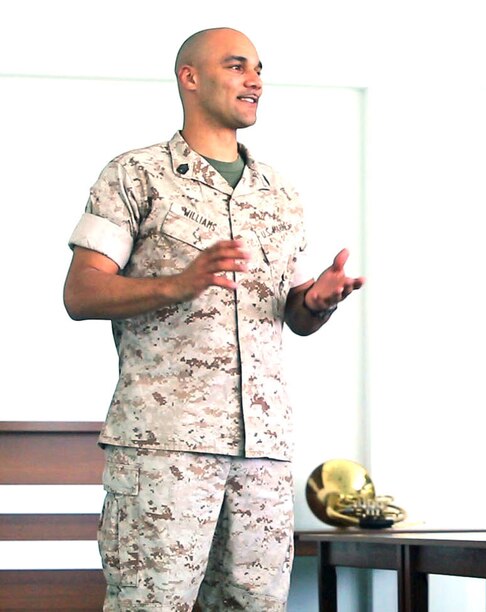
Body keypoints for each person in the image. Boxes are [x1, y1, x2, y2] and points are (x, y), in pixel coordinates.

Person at [62, 28, 364, 610]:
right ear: (190, 77)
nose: (255, 80)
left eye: (258, 68)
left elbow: (289, 318)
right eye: (236, 66)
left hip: (264, 454)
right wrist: (180, 282)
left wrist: (315, 303)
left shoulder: (279, 193)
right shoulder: (134, 176)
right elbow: (81, 293)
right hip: (165, 448)